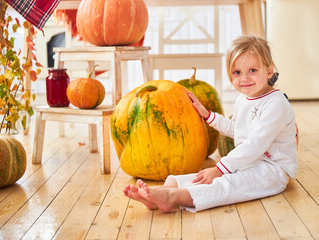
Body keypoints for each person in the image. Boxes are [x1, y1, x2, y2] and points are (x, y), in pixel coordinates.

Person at [123, 35, 298, 213]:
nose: (244, 78)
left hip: (272, 171)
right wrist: (207, 115)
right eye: (237, 72)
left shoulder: (276, 104)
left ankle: (172, 197)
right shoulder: (244, 99)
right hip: (248, 163)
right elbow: (236, 129)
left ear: (269, 71)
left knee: (228, 185)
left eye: (252, 70)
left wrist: (220, 169)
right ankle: (164, 191)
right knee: (203, 177)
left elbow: (255, 145)